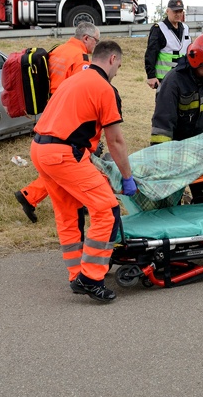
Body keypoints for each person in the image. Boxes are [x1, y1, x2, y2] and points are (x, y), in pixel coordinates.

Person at [30, 40, 136, 303]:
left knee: (69, 212)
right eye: (119, 66)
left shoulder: (74, 80)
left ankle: (77, 274)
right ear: (112, 59)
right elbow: (116, 141)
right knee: (107, 209)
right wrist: (127, 177)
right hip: (65, 153)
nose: (117, 72)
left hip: (40, 149)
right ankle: (90, 278)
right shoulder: (103, 88)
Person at [15, 22, 100, 222]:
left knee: (59, 163)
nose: (96, 45)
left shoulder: (59, 49)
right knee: (73, 160)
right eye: (96, 40)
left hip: (50, 110)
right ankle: (80, 201)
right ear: (86, 38)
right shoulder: (80, 58)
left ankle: (30, 196)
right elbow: (84, 90)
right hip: (68, 116)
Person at [150, 32, 203, 204]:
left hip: (202, 152)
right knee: (170, 205)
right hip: (174, 151)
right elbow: (162, 126)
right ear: (195, 60)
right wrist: (162, 160)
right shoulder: (174, 81)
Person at [144, 0, 191, 89]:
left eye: (180, 11)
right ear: (167, 11)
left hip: (184, 77)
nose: (178, 14)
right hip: (165, 79)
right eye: (175, 11)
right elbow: (151, 53)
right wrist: (151, 76)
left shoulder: (186, 28)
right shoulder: (159, 29)